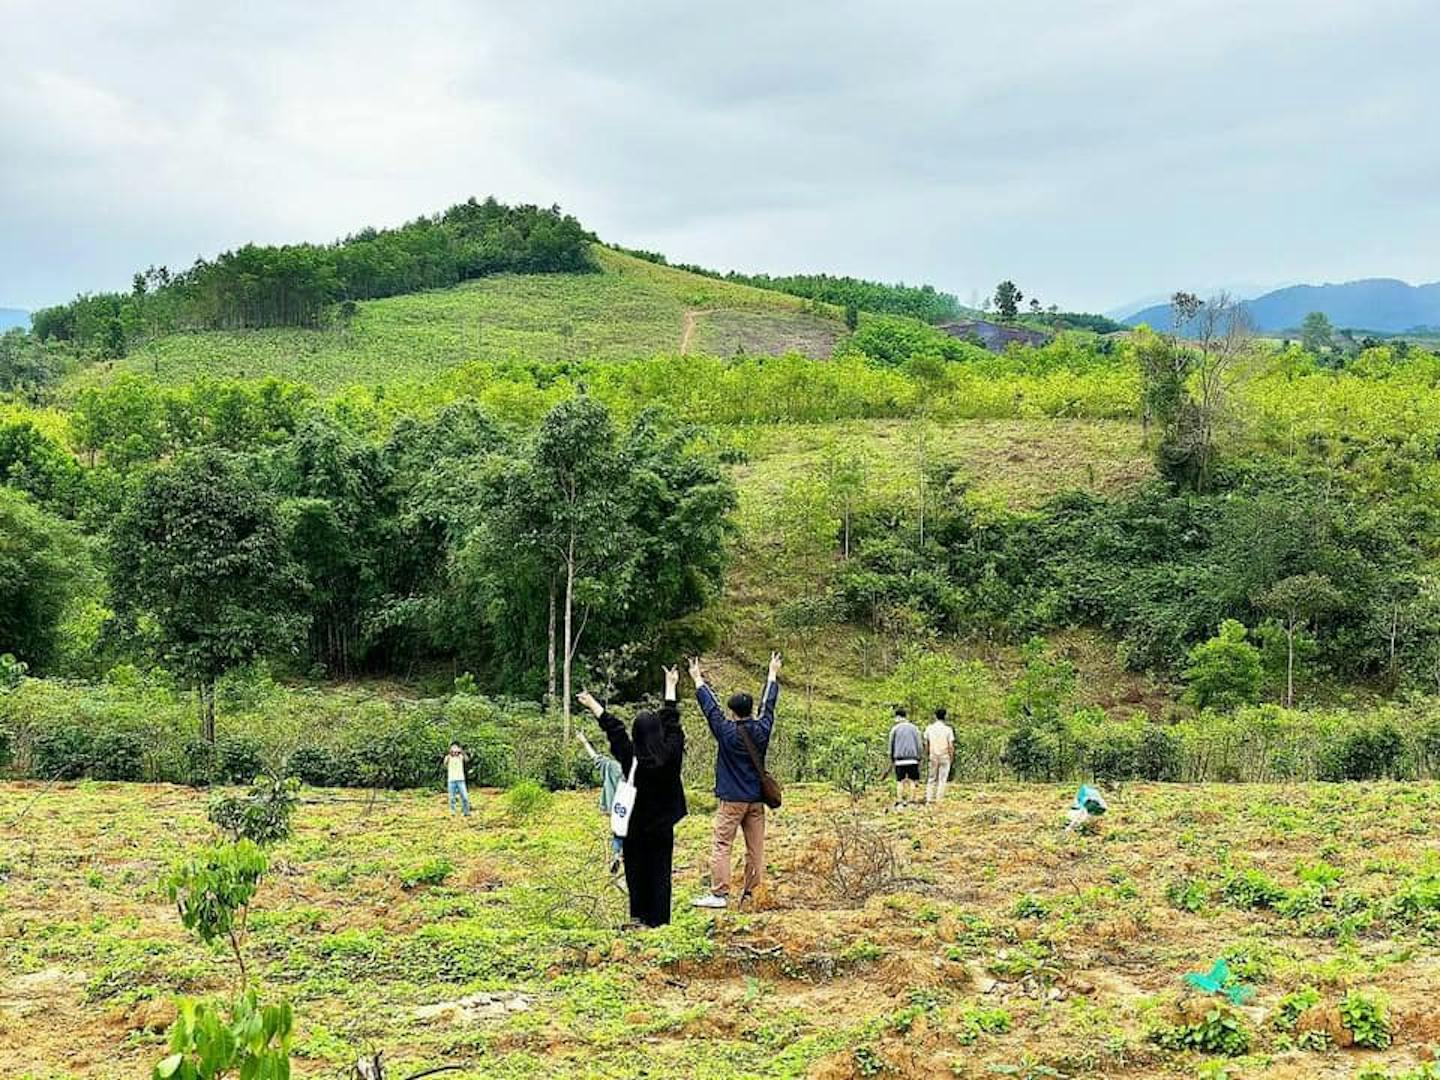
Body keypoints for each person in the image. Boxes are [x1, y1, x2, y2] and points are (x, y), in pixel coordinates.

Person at [577, 666, 686, 928]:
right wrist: (670, 687)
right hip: (662, 825)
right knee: (660, 872)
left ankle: (639, 918)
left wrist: (593, 705)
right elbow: (672, 723)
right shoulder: (671, 753)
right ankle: (660, 922)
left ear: (636, 736)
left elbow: (615, 730)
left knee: (636, 872)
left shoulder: (630, 757)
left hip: (635, 827)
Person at [690, 651, 781, 911]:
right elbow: (769, 706)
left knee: (722, 844)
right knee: (755, 848)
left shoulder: (726, 731)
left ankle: (720, 893)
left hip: (731, 800)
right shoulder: (762, 729)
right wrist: (772, 674)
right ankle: (751, 893)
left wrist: (698, 679)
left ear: (732, 712)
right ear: (750, 709)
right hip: (755, 800)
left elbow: (710, 709)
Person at [576, 730, 625, 875]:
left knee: (617, 833)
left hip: (614, 807)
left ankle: (616, 855)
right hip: (631, 806)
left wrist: (583, 740)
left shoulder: (610, 766)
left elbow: (594, 757)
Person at [887, 708, 923, 807]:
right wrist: (919, 756)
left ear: (897, 717)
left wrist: (891, 757)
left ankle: (899, 801)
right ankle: (912, 801)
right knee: (912, 780)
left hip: (899, 760)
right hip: (913, 759)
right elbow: (919, 744)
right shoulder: (914, 728)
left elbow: (891, 745)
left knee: (900, 781)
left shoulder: (895, 729)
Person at [924, 707, 956, 804]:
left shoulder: (929, 728)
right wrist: (951, 757)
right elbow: (951, 745)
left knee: (931, 778)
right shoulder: (948, 729)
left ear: (935, 716)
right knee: (942, 779)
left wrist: (927, 754)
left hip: (933, 755)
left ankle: (929, 798)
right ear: (945, 716)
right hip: (944, 756)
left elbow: (926, 744)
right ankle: (939, 799)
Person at [444, 742, 470, 817]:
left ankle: (466, 812)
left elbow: (467, 760)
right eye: (453, 748)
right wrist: (449, 755)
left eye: (456, 748)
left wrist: (461, 751)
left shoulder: (461, 756)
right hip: (451, 780)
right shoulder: (448, 757)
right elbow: (445, 763)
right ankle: (453, 812)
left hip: (461, 779)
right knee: (452, 798)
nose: (454, 750)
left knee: (465, 797)